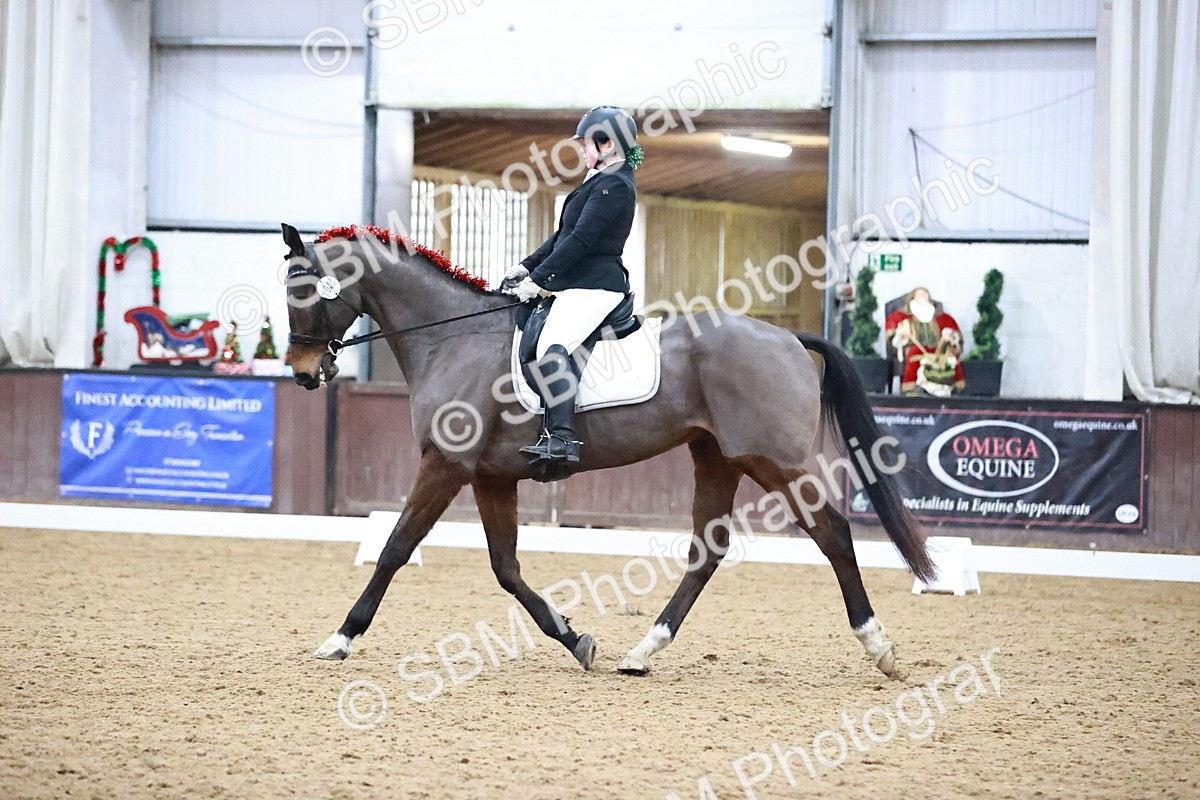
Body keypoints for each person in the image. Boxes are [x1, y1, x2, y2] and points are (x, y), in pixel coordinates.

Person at [502, 105, 643, 473]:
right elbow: (562, 236)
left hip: (597, 286)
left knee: (553, 346)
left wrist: (539, 282)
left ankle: (562, 438)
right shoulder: (598, 181)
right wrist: (526, 267)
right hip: (579, 284)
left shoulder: (614, 185)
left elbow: (580, 241)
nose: (581, 150)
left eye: (586, 144)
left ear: (608, 143)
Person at [885, 287, 966, 395]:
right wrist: (902, 334)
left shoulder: (942, 317)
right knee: (914, 354)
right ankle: (912, 387)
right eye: (919, 295)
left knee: (949, 356)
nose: (923, 297)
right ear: (913, 298)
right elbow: (892, 335)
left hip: (938, 347)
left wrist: (949, 336)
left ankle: (953, 385)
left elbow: (955, 333)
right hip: (915, 346)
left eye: (925, 294)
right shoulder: (901, 317)